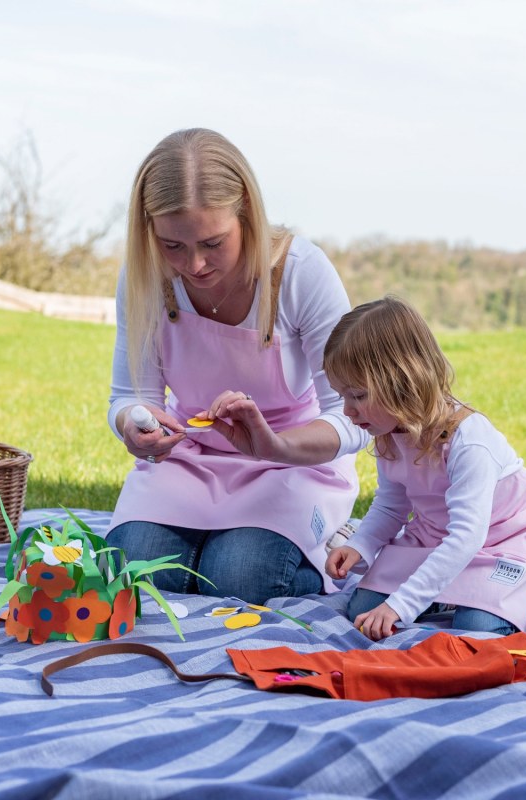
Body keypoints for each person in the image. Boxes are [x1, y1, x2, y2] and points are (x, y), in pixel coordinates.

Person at [106, 128, 368, 605]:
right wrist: (133, 425)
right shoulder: (144, 278)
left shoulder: (300, 273)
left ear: (245, 207)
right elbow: (129, 397)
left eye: (213, 242)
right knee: (131, 572)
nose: (196, 266)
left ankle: (328, 535)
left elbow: (355, 418)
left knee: (243, 577)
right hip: (188, 460)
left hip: (291, 463)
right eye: (173, 246)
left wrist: (275, 444)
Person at [321, 296, 526, 640]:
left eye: (358, 395)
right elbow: (391, 503)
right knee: (361, 610)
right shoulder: (389, 432)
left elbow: (466, 538)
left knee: (479, 631)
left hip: (498, 543)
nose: (348, 410)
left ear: (403, 380)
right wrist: (361, 545)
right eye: (342, 396)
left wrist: (400, 606)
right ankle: (443, 594)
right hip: (435, 538)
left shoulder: (468, 440)